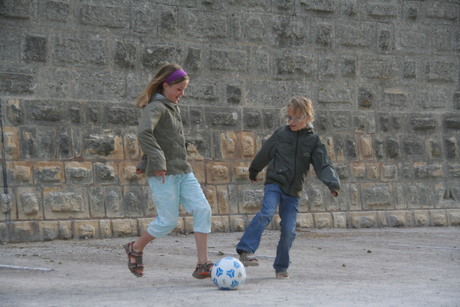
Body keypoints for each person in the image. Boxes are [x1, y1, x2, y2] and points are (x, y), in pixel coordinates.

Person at [124, 63, 213, 279]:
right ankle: (135, 248)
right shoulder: (155, 108)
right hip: (162, 173)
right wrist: (155, 160)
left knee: (203, 209)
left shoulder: (171, 107)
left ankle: (202, 264)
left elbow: (163, 138)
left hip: (183, 170)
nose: (181, 94)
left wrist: (146, 158)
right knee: (168, 221)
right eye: (178, 90)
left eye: (184, 90)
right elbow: (145, 133)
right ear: (165, 85)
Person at [236, 97, 341, 279]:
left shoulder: (313, 141)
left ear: (307, 118)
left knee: (289, 230)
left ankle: (281, 267)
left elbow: (323, 164)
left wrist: (332, 183)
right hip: (275, 182)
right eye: (289, 117)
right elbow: (265, 153)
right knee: (267, 212)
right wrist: (254, 170)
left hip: (293, 191)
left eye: (295, 118)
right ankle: (246, 250)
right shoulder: (281, 134)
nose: (290, 121)